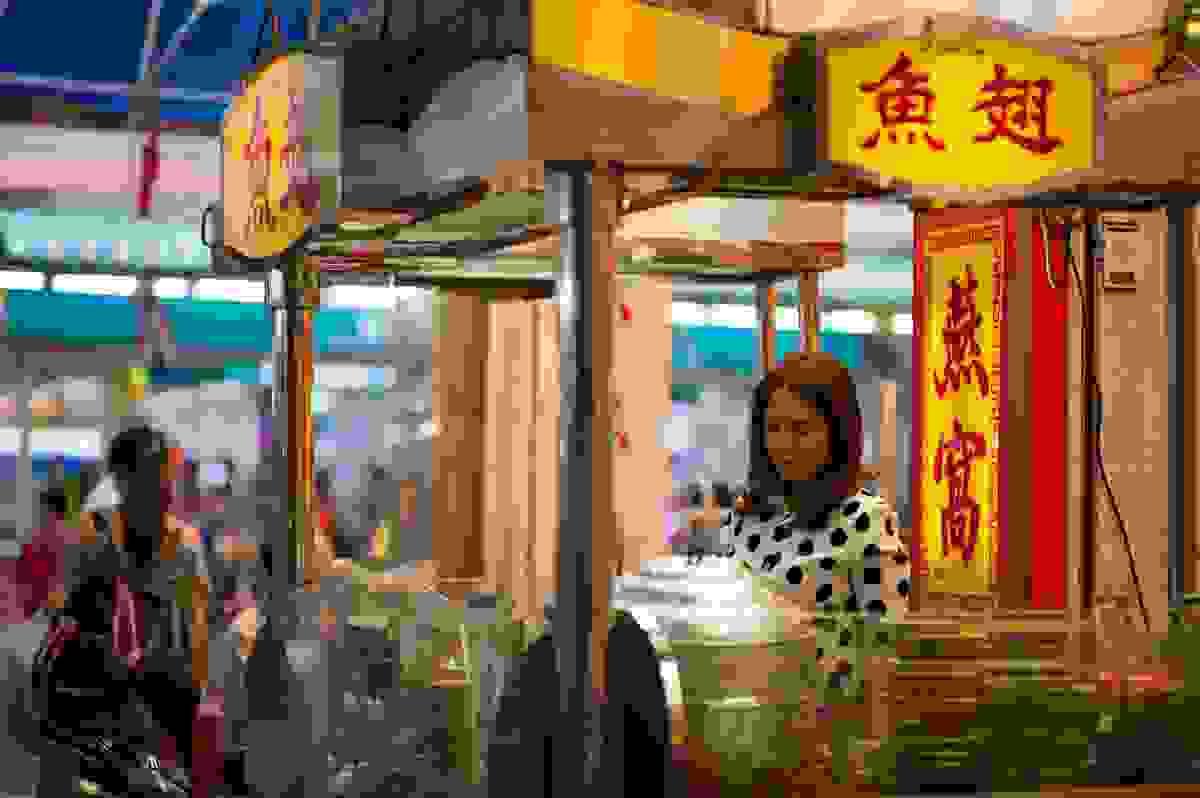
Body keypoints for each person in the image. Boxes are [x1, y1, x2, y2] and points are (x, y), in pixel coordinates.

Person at [31, 424, 244, 798]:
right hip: (105, 717)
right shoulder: (94, 539)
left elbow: (199, 634)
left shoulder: (186, 546)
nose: (166, 486)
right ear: (122, 479)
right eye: (153, 472)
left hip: (174, 712)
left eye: (167, 472)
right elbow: (66, 627)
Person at [694, 351, 911, 691]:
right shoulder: (746, 515)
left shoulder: (865, 519)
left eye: (801, 428)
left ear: (837, 434)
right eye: (774, 428)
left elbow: (884, 651)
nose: (784, 443)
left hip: (828, 720)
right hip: (744, 706)